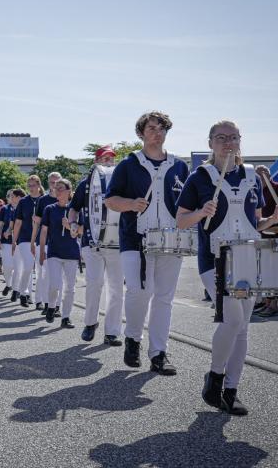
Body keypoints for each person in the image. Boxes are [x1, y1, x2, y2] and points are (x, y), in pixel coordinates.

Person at [176, 120, 278, 415]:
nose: (228, 142)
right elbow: (181, 220)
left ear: (240, 141)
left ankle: (231, 390)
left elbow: (256, 223)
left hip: (249, 259)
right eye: (221, 138)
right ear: (210, 142)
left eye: (233, 137)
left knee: (243, 328)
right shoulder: (200, 177)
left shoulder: (251, 176)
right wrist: (201, 212)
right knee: (232, 321)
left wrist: (273, 220)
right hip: (215, 261)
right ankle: (214, 377)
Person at [105, 111, 189, 375]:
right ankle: (132, 339)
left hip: (170, 239)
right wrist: (130, 204)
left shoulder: (179, 166)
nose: (157, 133)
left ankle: (158, 353)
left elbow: (187, 204)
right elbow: (110, 200)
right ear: (141, 133)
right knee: (139, 292)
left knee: (164, 298)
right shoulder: (128, 165)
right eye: (151, 128)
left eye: (162, 129)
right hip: (135, 238)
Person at [68, 145, 124, 346]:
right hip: (91, 242)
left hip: (117, 243)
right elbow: (73, 210)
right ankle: (91, 323)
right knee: (94, 283)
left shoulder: (121, 183)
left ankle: (112, 332)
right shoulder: (86, 184)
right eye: (105, 158)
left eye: (111, 159)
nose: (108, 162)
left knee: (117, 288)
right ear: (96, 161)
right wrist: (73, 224)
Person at [40, 178, 82, 327]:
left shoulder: (76, 210)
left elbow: (78, 233)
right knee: (54, 285)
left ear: (69, 191)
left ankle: (66, 317)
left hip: (71, 253)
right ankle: (51, 307)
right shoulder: (49, 209)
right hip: (54, 252)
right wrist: (41, 251)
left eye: (61, 188)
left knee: (70, 288)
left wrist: (69, 225)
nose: (57, 191)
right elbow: (44, 231)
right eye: (56, 188)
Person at [252, 165, 278, 317]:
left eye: (262, 174)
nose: (259, 178)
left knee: (274, 271)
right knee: (262, 271)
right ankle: (266, 302)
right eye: (257, 175)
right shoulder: (256, 190)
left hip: (277, 233)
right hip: (262, 233)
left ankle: (273, 304)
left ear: (268, 174)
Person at [11, 175, 45, 307]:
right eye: (29, 185)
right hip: (25, 238)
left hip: (41, 239)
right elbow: (18, 222)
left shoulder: (45, 200)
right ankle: (23, 292)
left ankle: (39, 300)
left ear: (38, 184)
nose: (31, 188)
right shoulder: (23, 202)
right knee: (29, 264)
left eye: (33, 185)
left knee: (41, 270)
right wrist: (14, 241)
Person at [31, 172, 60, 310]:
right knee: (42, 274)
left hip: (60, 242)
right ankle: (41, 301)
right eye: (51, 182)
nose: (54, 185)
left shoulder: (65, 198)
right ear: (48, 183)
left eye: (56, 182)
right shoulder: (42, 200)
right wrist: (32, 242)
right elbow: (36, 222)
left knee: (58, 277)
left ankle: (54, 305)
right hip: (43, 242)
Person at [0, 188, 24, 297]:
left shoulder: (23, 208)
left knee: (18, 268)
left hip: (20, 242)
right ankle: (9, 284)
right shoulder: (5, 209)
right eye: (10, 196)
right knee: (7, 266)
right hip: (6, 242)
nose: (11, 198)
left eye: (13, 196)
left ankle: (16, 290)